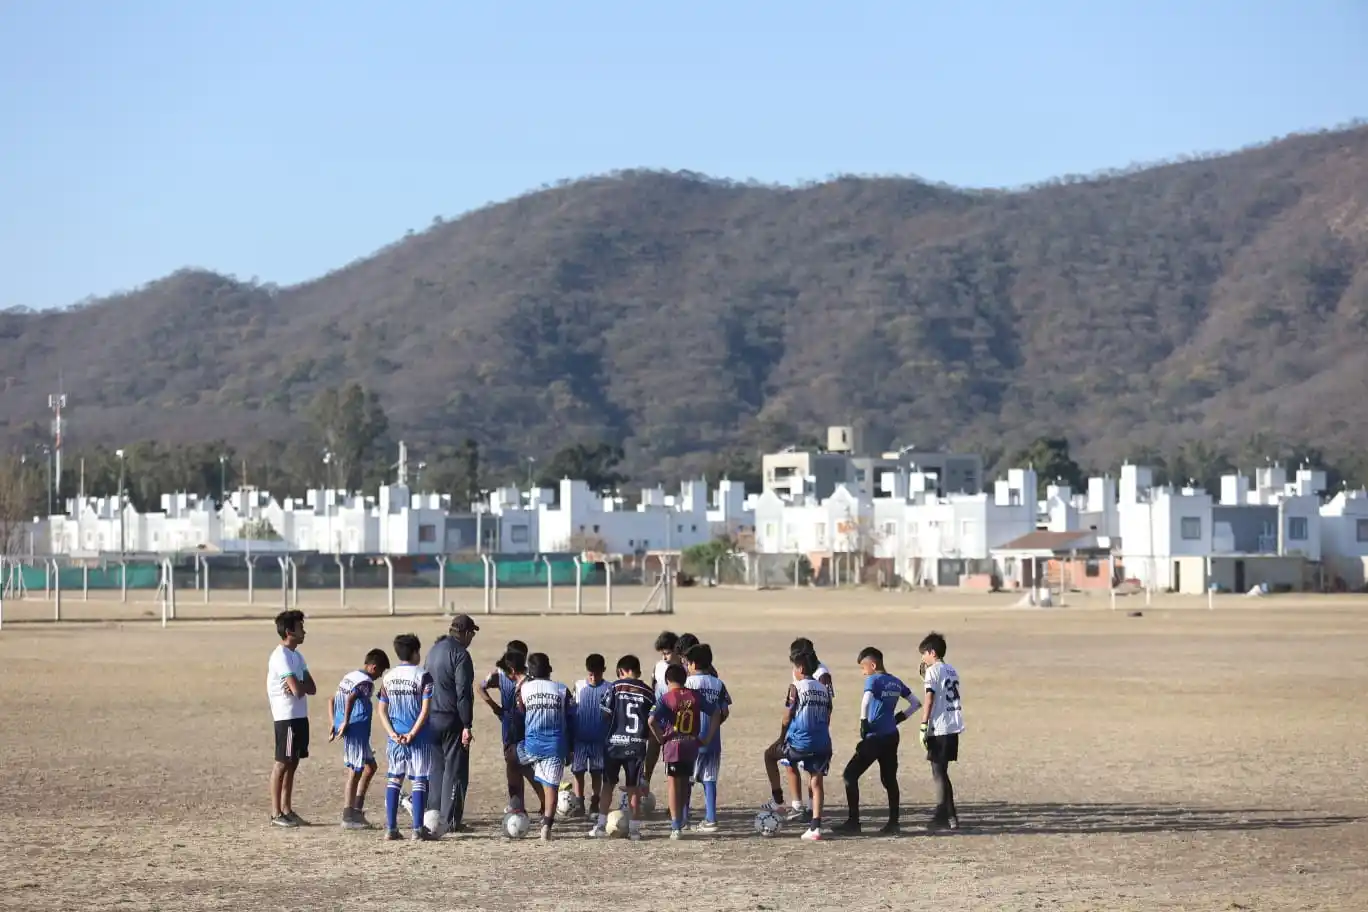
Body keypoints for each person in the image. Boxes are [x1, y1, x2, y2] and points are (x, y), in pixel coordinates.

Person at [835, 646, 919, 835]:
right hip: (891, 736)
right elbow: (916, 703)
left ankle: (853, 822)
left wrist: (863, 724)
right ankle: (894, 822)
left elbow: (865, 701)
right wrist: (900, 717)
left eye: (863, 668)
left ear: (873, 665)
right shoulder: (896, 682)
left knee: (850, 775)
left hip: (875, 738)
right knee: (889, 779)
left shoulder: (873, 680)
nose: (863, 672)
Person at [762, 637, 833, 821]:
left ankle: (808, 807)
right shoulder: (805, 674)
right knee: (792, 766)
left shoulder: (822, 675)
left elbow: (826, 707)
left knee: (809, 771)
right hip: (805, 731)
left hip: (805, 733)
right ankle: (798, 806)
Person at [378, 633, 437, 841]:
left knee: (394, 779)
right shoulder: (423, 676)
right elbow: (425, 709)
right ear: (415, 653)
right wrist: (412, 733)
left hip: (395, 739)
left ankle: (391, 828)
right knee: (419, 781)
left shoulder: (388, 677)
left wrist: (392, 733)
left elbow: (382, 710)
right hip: (418, 738)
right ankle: (417, 829)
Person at [425, 614, 478, 835]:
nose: (472, 637)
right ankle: (452, 820)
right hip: (451, 718)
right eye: (472, 633)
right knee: (455, 771)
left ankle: (433, 816)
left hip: (430, 717)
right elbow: (463, 692)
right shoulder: (461, 655)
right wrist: (467, 724)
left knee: (436, 769)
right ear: (465, 633)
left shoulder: (433, 650)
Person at [593, 654, 655, 840]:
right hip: (636, 746)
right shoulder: (648, 693)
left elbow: (604, 713)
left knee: (608, 785)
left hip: (614, 745)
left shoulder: (614, 687)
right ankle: (635, 830)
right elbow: (653, 719)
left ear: (621, 671)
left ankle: (601, 826)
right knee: (633, 788)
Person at [515, 652, 575, 841]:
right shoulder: (562, 690)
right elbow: (571, 719)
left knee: (514, 759)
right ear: (549, 670)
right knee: (552, 788)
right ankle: (546, 826)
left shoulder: (524, 689)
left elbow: (520, 711)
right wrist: (571, 748)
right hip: (555, 746)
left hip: (530, 746)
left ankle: (517, 802)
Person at [329, 648, 390, 829]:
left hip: (356, 731)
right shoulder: (365, 682)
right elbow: (350, 699)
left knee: (371, 767)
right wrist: (346, 721)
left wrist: (334, 722)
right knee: (355, 771)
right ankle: (348, 815)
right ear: (372, 667)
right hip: (355, 730)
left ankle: (356, 808)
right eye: (380, 671)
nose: (379, 676)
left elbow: (332, 700)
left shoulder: (350, 676)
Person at [648, 663, 711, 840]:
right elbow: (715, 712)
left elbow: (651, 720)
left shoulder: (667, 698)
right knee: (684, 783)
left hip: (673, 746)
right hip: (691, 745)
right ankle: (683, 819)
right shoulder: (695, 696)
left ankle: (676, 826)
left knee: (673, 785)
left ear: (667, 680)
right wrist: (706, 737)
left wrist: (661, 738)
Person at [267, 609, 316, 827]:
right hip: (286, 716)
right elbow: (297, 689)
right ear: (289, 632)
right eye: (300, 628)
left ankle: (287, 809)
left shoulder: (298, 656)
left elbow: (311, 687)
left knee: (293, 762)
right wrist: (299, 685)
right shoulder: (281, 656)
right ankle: (276, 812)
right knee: (282, 763)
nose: (304, 632)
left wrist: (300, 685)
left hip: (299, 715)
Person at [781, 650, 834, 842]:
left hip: (799, 743)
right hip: (822, 742)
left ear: (800, 668)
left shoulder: (796, 687)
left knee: (775, 757)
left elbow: (788, 715)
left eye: (794, 667)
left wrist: (781, 738)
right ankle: (815, 827)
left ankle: (783, 803)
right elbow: (828, 713)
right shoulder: (822, 688)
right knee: (816, 781)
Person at [919, 632, 964, 832]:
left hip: (940, 727)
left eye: (924, 654)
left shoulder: (933, 671)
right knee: (941, 772)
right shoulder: (951, 669)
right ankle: (947, 814)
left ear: (932, 652)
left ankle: (947, 815)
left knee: (939, 773)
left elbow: (929, 699)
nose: (923, 658)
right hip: (953, 724)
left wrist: (923, 725)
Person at [683, 643, 731, 833]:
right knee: (709, 779)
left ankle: (683, 818)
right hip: (712, 740)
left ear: (693, 664)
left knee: (685, 780)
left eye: (687, 663)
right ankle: (711, 818)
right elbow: (724, 711)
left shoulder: (687, 684)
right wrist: (714, 727)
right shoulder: (718, 683)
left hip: (689, 741)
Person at [569, 653, 611, 820]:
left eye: (597, 674)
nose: (593, 678)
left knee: (596, 772)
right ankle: (579, 802)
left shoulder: (609, 688)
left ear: (604, 671)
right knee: (578, 771)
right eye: (591, 674)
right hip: (580, 739)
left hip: (599, 740)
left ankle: (595, 800)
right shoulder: (579, 686)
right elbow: (572, 710)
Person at [644, 631, 680, 784]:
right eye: (662, 654)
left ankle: (675, 797)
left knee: (672, 756)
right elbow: (653, 687)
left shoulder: (683, 669)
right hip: (659, 715)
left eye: (667, 653)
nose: (664, 658)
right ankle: (646, 780)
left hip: (676, 718)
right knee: (652, 747)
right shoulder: (658, 667)